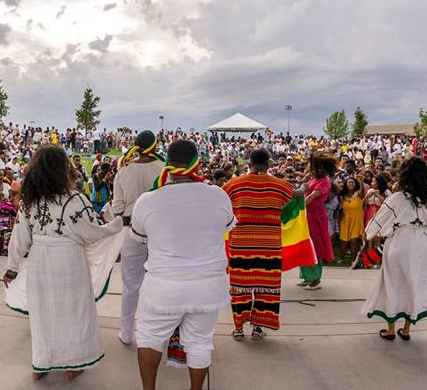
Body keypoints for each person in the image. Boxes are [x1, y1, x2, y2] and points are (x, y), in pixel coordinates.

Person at [4, 145, 123, 380]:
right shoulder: (76, 199)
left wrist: (12, 267)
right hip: (69, 262)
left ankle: (43, 363)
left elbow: (19, 235)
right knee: (73, 312)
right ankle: (73, 364)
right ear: (63, 169)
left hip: (40, 261)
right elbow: (90, 233)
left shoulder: (30, 200)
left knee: (43, 312)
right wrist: (115, 226)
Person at [131, 139, 235, 390]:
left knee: (149, 338)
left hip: (164, 287)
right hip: (208, 286)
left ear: (167, 163)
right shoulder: (218, 195)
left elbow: (140, 237)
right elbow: (227, 226)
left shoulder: (147, 200)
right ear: (197, 164)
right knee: (200, 342)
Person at [362, 157, 427, 340]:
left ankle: (391, 329)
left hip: (401, 242)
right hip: (424, 242)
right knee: (414, 283)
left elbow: (378, 220)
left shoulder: (397, 198)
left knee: (393, 283)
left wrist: (369, 233)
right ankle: (406, 329)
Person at [223, 149, 292, 341]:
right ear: (269, 165)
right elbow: (295, 196)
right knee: (266, 288)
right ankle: (257, 328)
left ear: (249, 164)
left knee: (239, 287)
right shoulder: (280, 186)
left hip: (241, 246)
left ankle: (238, 328)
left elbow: (221, 200)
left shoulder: (233, 185)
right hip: (269, 248)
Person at [113, 131, 165, 346]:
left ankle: (127, 332)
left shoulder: (123, 172)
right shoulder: (163, 169)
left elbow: (117, 207)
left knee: (130, 285)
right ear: (154, 146)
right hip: (159, 232)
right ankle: (157, 332)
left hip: (130, 230)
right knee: (161, 283)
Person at [298, 152, 336, 289]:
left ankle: (315, 279)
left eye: (312, 166)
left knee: (315, 246)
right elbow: (303, 192)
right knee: (304, 244)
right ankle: (306, 276)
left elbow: (311, 197)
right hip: (306, 215)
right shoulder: (313, 179)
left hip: (315, 216)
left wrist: (298, 207)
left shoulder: (324, 181)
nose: (310, 168)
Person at [338, 177, 365, 263]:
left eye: (353, 182)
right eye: (349, 182)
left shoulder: (359, 194)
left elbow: (362, 190)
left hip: (356, 220)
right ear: (346, 184)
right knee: (343, 241)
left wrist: (361, 180)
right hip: (345, 220)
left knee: (354, 241)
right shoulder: (343, 195)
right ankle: (342, 258)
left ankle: (353, 260)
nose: (351, 184)